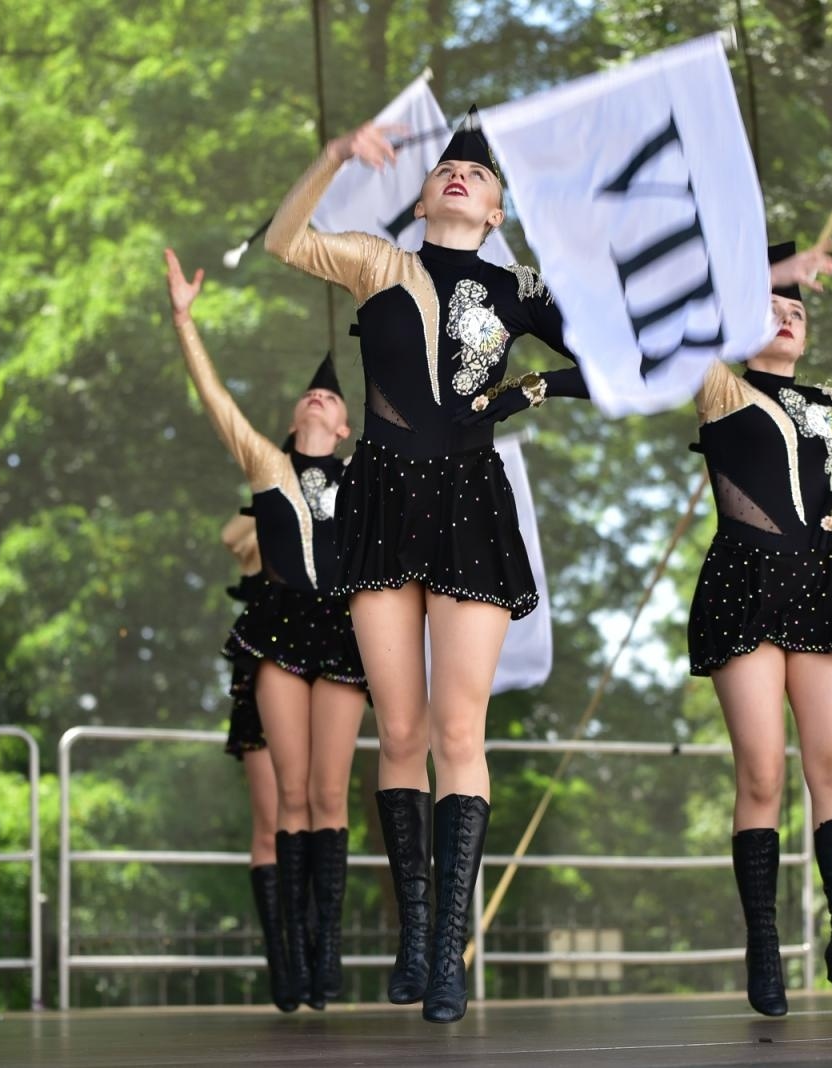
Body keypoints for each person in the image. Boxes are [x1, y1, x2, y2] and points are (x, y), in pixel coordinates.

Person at [264, 112, 587, 1023]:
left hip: (471, 504)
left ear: (494, 210)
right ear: (421, 193)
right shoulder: (379, 261)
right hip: (382, 498)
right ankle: (415, 929)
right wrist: (331, 155)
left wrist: (524, 390)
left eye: (477, 175)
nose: (458, 174)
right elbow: (285, 239)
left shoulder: (518, 283)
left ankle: (448, 951)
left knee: (458, 732)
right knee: (398, 731)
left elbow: (602, 361)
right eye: (446, 166)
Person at [689, 242, 832, 1015]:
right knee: (762, 776)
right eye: (772, 307)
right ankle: (765, 946)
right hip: (744, 582)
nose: (786, 318)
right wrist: (771, 277)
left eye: (797, 312)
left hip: (823, 584)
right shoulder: (720, 386)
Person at [166, 249, 367, 1011]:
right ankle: (293, 961)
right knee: (289, 794)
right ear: (293, 417)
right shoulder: (265, 467)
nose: (319, 399)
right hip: (280, 629)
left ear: (345, 424)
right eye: (309, 396)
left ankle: (326, 953)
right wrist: (186, 321)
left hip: (343, 635)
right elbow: (214, 397)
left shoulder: (366, 478)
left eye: (330, 398)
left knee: (329, 793)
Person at [216, 513, 286, 1011]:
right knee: (270, 825)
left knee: (321, 813)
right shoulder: (265, 511)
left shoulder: (341, 491)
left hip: (323, 667)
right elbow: (232, 538)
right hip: (265, 675)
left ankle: (311, 951)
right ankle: (280, 959)